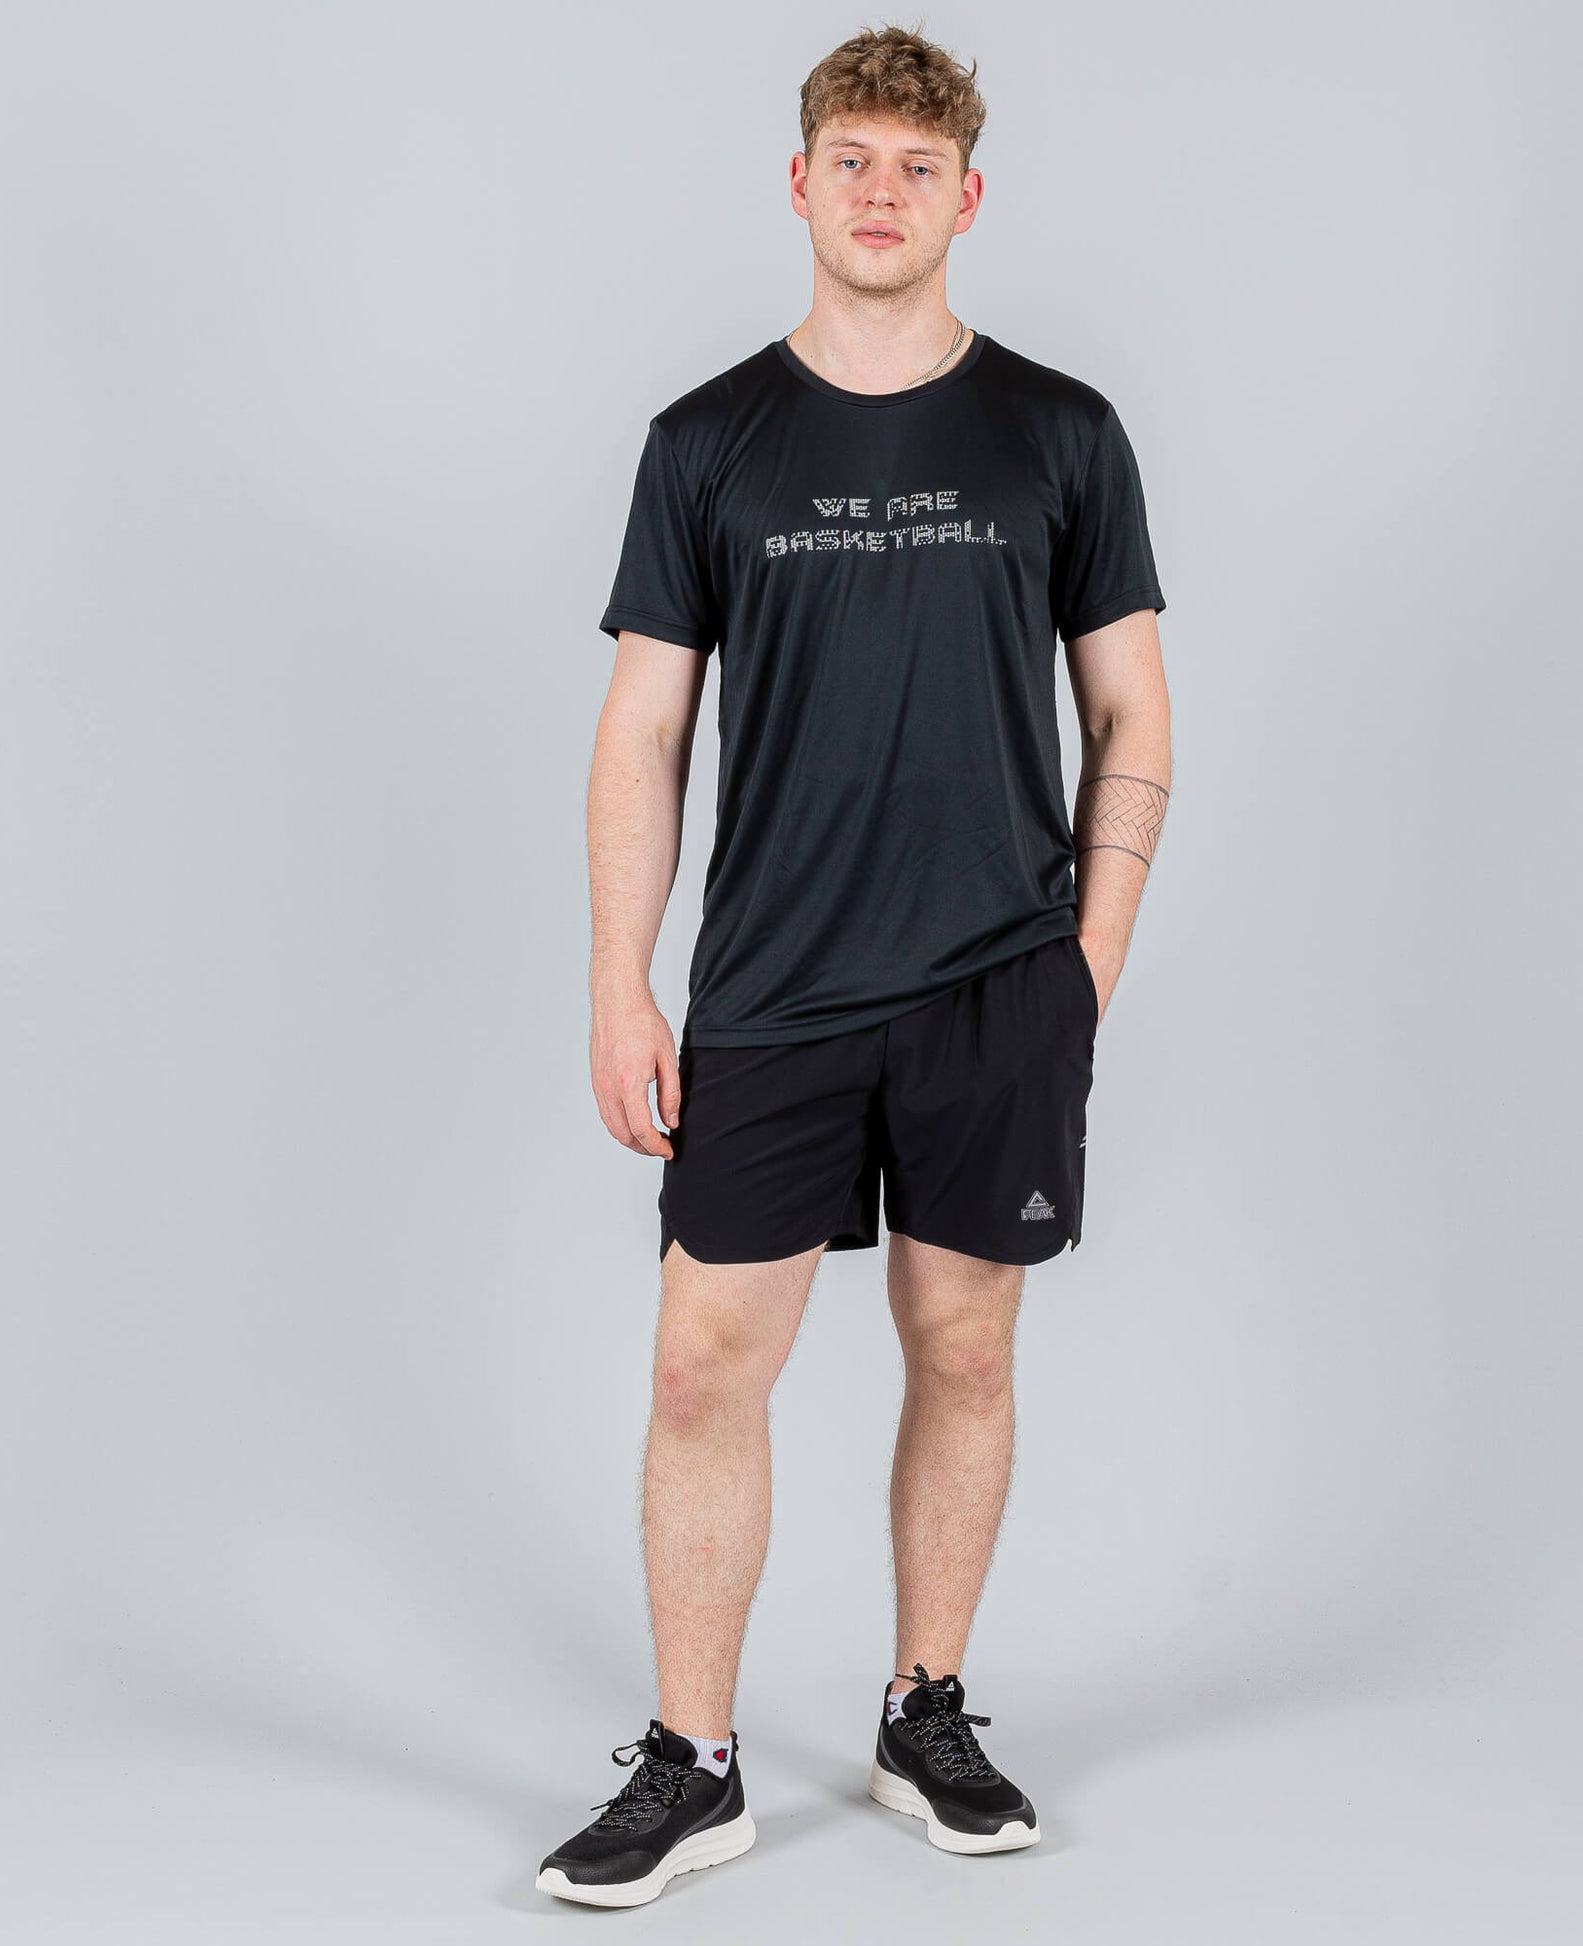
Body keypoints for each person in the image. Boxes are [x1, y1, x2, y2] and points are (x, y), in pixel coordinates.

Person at [538, 23, 1170, 1907]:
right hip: (775, 986)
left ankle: (924, 1710)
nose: (880, 192)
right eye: (851, 161)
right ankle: (695, 1760)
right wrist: (620, 980)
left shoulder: (1060, 431)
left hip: (995, 983)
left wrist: (1085, 964)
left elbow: (1131, 711)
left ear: (967, 197)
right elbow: (643, 730)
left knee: (963, 1345)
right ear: (798, 185)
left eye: (915, 166)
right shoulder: (705, 440)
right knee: (698, 1368)